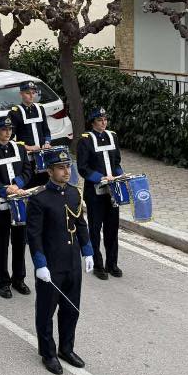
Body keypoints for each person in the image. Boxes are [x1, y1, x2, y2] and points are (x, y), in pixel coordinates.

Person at [26, 148, 94, 375]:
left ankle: (66, 348)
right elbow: (33, 235)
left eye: (68, 167)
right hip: (51, 264)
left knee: (71, 309)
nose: (67, 171)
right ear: (50, 170)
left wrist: (88, 251)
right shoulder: (39, 199)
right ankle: (48, 353)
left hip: (72, 262)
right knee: (46, 311)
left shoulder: (75, 193)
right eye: (61, 168)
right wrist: (40, 264)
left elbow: (81, 224)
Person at [0, 116, 34, 299]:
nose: (8, 133)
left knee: (20, 242)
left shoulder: (19, 148)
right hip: (1, 204)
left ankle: (19, 278)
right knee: (2, 243)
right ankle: (3, 281)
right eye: (4, 130)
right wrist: (5, 188)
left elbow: (28, 170)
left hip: (19, 200)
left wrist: (18, 184)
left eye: (10, 129)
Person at [76, 107, 125, 280]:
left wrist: (120, 175)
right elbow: (83, 168)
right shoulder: (85, 140)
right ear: (93, 122)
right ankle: (98, 265)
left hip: (112, 190)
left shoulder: (112, 136)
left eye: (105, 119)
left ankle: (112, 263)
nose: (103, 123)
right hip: (95, 192)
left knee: (112, 228)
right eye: (100, 120)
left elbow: (117, 161)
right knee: (95, 229)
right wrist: (101, 177)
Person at [8, 81, 52, 187]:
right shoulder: (15, 112)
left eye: (33, 92)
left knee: (45, 184)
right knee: (30, 184)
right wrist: (28, 147)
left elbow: (46, 130)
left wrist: (47, 142)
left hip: (42, 154)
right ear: (21, 94)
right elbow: (10, 139)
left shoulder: (40, 108)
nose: (31, 95)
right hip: (27, 157)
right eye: (28, 93)